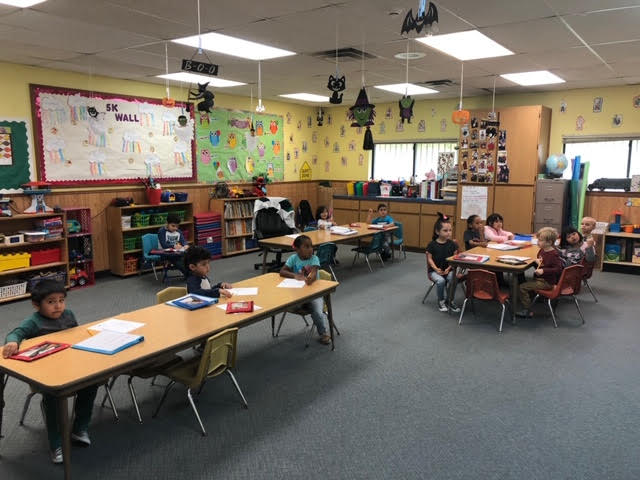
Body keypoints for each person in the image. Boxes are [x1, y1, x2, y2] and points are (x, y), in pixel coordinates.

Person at [2, 280, 97, 464]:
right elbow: (15, 333)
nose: (58, 306)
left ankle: (79, 429)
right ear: (36, 304)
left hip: (71, 365)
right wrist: (12, 341)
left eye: (61, 300)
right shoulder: (34, 322)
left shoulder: (68, 315)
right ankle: (56, 444)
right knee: (54, 399)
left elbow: (77, 335)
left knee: (91, 383)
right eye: (51, 302)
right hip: (46, 374)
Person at [279, 235, 331, 345]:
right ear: (297, 249)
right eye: (306, 247)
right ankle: (305, 305)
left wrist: (310, 278)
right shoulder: (293, 258)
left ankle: (323, 333)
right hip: (298, 294)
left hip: (315, 293)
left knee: (317, 312)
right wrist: (294, 275)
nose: (310, 249)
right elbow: (282, 271)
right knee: (281, 302)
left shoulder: (314, 259)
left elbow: (313, 273)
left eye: (311, 246)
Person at [517, 227, 563, 317]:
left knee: (522, 287)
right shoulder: (542, 250)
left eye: (540, 240)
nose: (538, 242)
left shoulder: (553, 254)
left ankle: (527, 310)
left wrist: (543, 270)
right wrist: (539, 261)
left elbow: (558, 269)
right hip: (540, 279)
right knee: (525, 283)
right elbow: (541, 259)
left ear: (549, 242)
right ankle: (533, 298)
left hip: (547, 282)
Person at [426, 213, 460, 313]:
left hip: (448, 269)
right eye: (445, 231)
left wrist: (448, 269)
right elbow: (429, 259)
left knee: (453, 279)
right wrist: (436, 269)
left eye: (450, 230)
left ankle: (450, 300)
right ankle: (441, 301)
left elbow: (454, 258)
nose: (448, 233)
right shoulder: (432, 244)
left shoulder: (452, 244)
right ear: (437, 231)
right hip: (434, 271)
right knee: (440, 281)